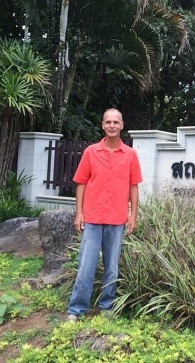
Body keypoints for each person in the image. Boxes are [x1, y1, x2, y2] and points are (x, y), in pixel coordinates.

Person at [66, 108, 142, 322]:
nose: (111, 125)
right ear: (102, 125)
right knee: (86, 266)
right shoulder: (91, 152)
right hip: (92, 218)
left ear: (121, 125)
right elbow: (81, 183)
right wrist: (78, 213)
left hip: (117, 219)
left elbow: (133, 186)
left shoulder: (130, 155)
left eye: (115, 122)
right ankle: (76, 309)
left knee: (112, 268)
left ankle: (107, 307)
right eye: (107, 122)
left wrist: (133, 215)